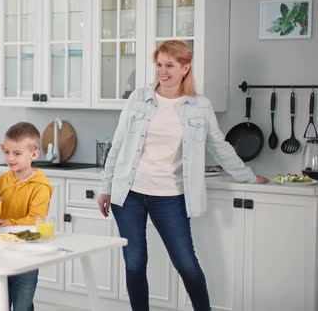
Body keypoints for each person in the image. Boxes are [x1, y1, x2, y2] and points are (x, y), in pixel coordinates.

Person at [97, 40, 269, 311]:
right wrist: (106, 187)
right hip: (128, 194)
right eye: (158, 65)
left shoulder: (199, 105)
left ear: (185, 68)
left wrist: (247, 177)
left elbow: (219, 146)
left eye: (170, 65)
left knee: (186, 263)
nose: (162, 72)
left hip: (170, 197)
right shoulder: (138, 99)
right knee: (134, 262)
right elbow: (117, 145)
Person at [0, 122, 53, 311]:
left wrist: (8, 222)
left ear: (34, 154)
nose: (10, 158)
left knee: (23, 305)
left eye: (16, 153)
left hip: (27, 251)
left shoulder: (41, 185)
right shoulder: (2, 180)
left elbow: (36, 219)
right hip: (1, 248)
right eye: (6, 152)